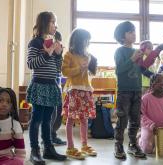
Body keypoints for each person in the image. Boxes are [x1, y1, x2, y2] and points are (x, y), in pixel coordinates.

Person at [26, 11, 67, 165]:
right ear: (44, 23)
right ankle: (35, 151)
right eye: (52, 22)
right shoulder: (35, 42)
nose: (55, 26)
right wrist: (48, 53)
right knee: (36, 119)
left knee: (48, 120)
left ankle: (48, 149)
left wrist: (58, 54)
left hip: (51, 85)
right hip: (39, 84)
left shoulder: (53, 42)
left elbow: (58, 69)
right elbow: (31, 64)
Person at [62, 28, 97, 160]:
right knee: (70, 119)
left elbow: (91, 73)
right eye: (86, 40)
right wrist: (79, 68)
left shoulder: (86, 55)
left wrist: (91, 66)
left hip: (86, 90)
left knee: (84, 119)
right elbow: (64, 72)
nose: (87, 43)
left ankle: (84, 145)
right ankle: (70, 147)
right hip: (74, 89)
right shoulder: (69, 54)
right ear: (78, 40)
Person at [113, 21, 146, 160]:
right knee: (122, 119)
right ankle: (118, 145)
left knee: (135, 120)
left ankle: (133, 144)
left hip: (137, 90)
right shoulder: (120, 51)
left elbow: (141, 69)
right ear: (122, 35)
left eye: (134, 31)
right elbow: (119, 70)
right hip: (124, 91)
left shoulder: (136, 51)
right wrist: (133, 58)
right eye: (130, 32)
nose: (134, 34)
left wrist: (148, 62)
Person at [50, 31, 66, 146]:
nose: (58, 43)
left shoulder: (59, 51)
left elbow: (60, 68)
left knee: (59, 111)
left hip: (58, 83)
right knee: (52, 112)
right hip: (49, 83)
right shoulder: (48, 50)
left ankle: (53, 134)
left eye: (59, 41)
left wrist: (59, 54)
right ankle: (47, 137)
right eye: (56, 41)